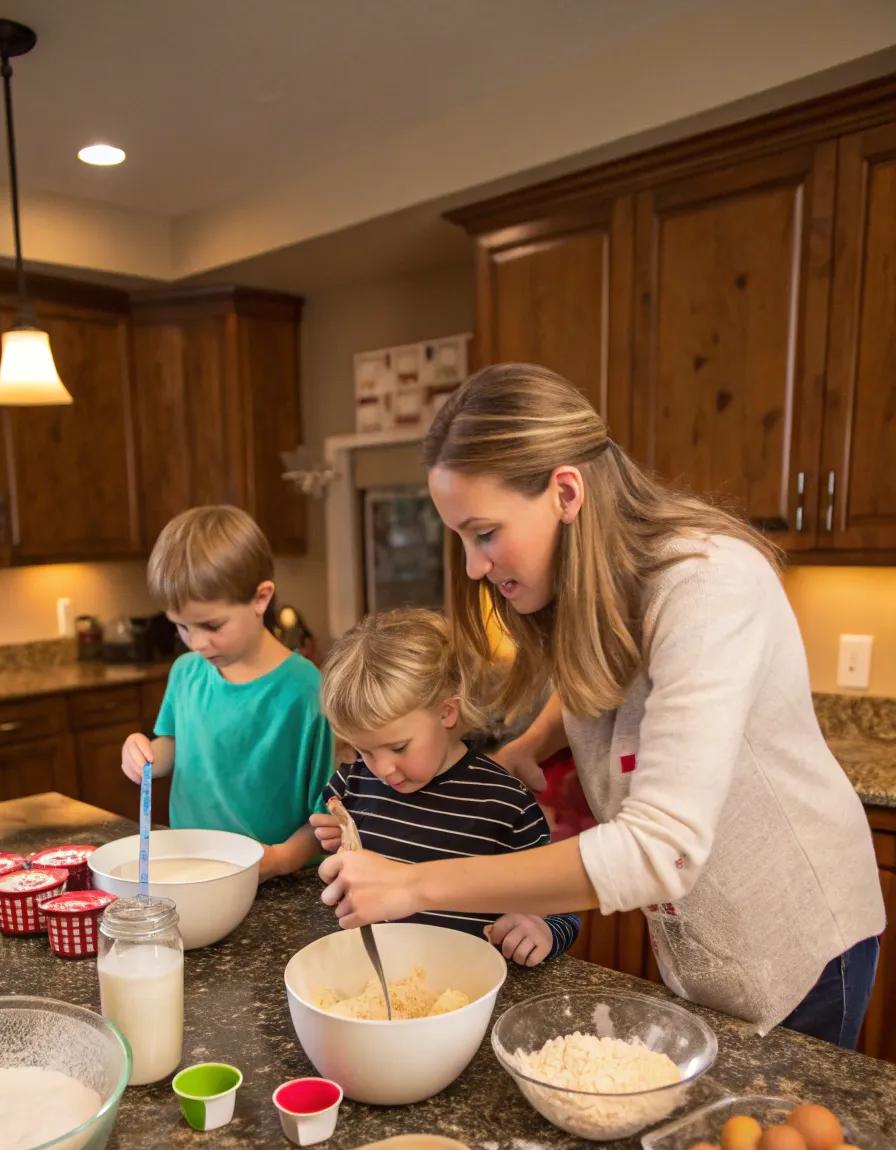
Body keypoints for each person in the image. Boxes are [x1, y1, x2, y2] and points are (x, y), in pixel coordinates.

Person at [318, 365, 885, 1046]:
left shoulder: (710, 586)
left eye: (485, 532)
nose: (473, 565)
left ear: (565, 491)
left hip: (798, 938)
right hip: (703, 938)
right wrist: (534, 742)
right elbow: (605, 680)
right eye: (461, 539)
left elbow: (656, 850)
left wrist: (414, 887)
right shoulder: (587, 586)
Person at [309, 608, 579, 967]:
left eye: (399, 747)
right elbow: (340, 847)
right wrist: (336, 841)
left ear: (446, 713)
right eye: (364, 750)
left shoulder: (505, 804)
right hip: (377, 977)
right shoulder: (354, 781)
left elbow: (563, 906)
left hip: (469, 985)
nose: (383, 769)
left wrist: (542, 930)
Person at [121, 505, 332, 881]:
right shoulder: (185, 673)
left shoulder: (308, 690)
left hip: (279, 880)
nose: (197, 643)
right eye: (181, 628)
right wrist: (144, 755)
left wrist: (282, 859)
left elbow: (330, 810)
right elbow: (172, 745)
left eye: (211, 624)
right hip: (195, 870)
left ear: (260, 598)